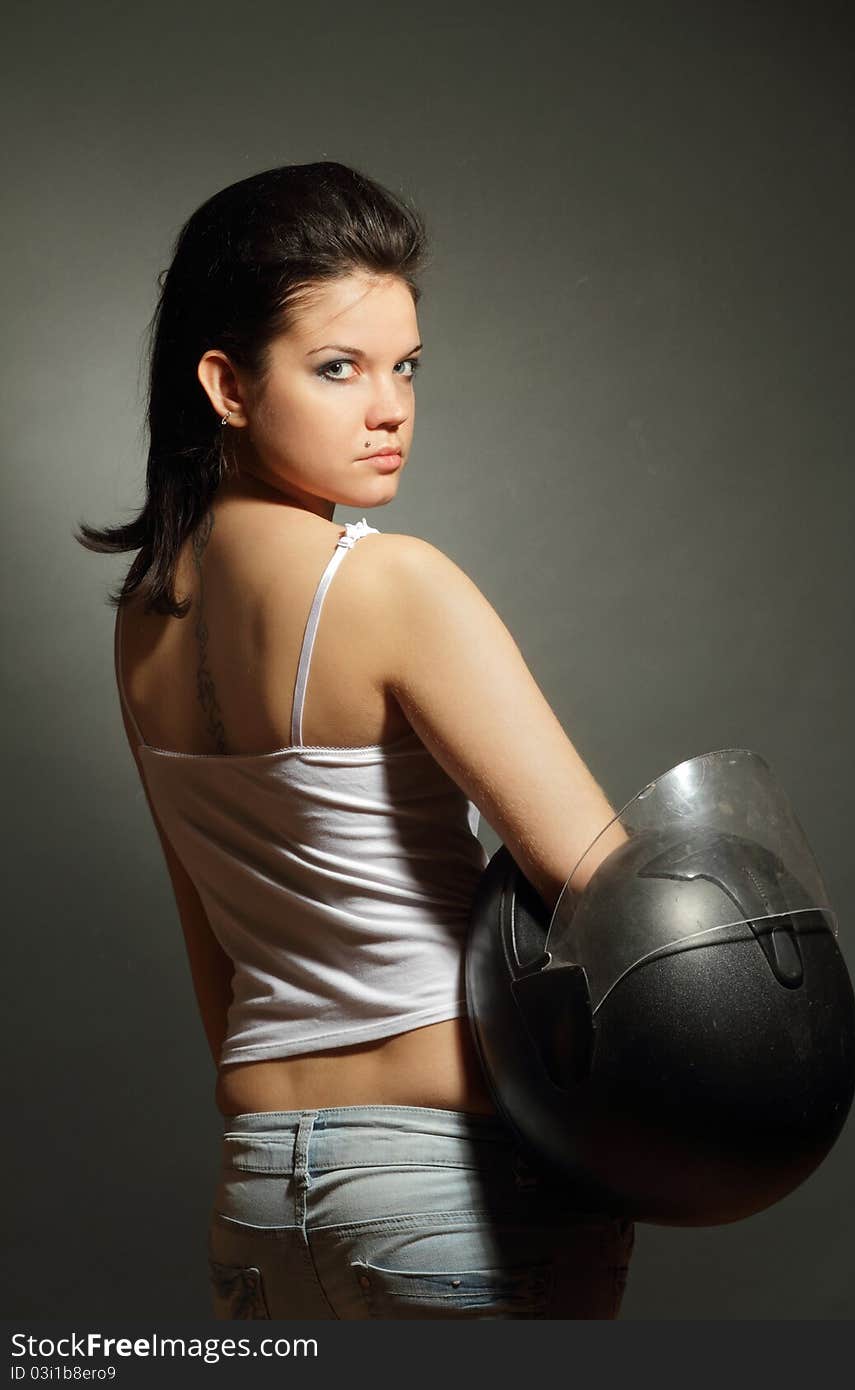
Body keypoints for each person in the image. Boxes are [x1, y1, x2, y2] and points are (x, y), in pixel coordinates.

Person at [76, 161, 636, 1319]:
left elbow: (214, 963)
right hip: (450, 1186)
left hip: (261, 1195)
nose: (389, 408)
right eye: (338, 368)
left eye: (406, 367)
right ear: (226, 385)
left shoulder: (143, 622)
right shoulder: (391, 586)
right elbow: (613, 891)